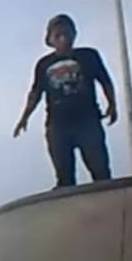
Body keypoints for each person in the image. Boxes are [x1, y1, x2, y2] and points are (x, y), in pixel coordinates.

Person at [14, 13, 117, 189]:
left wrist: (112, 104)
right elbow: (36, 93)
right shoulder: (44, 64)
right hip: (58, 124)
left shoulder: (88, 56)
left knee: (100, 171)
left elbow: (105, 80)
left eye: (67, 34)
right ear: (51, 40)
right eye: (58, 36)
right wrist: (25, 117)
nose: (63, 39)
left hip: (87, 120)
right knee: (64, 175)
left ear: (73, 34)